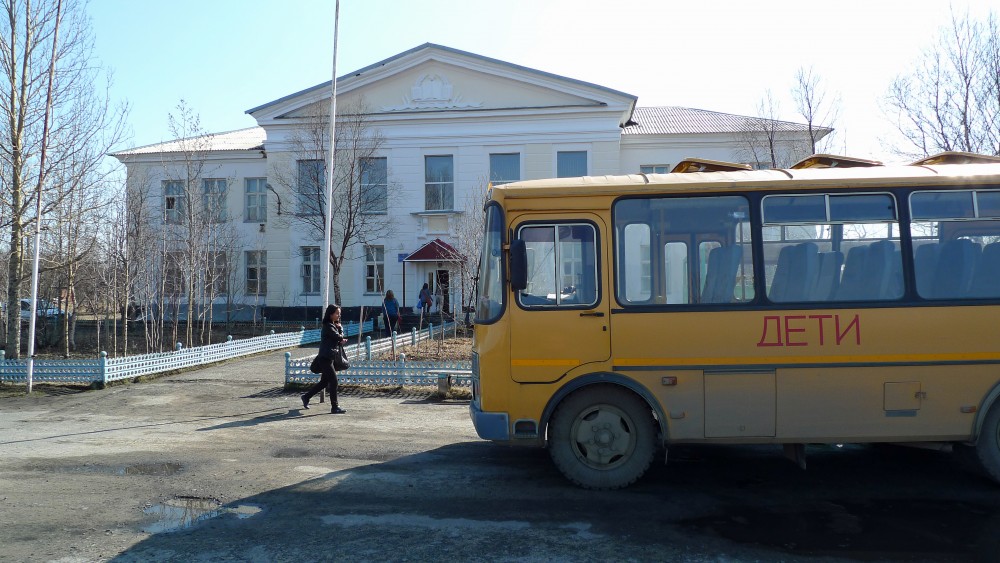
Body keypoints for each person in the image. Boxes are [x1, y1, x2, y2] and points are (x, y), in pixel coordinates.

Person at [301, 304, 347, 414]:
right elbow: (338, 337)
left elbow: (337, 338)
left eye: (339, 313)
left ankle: (306, 397)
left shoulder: (332, 325)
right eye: (337, 313)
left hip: (328, 357)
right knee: (334, 381)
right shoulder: (328, 326)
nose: (339, 315)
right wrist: (340, 329)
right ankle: (334, 407)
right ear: (331, 314)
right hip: (325, 358)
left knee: (324, 382)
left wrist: (339, 333)